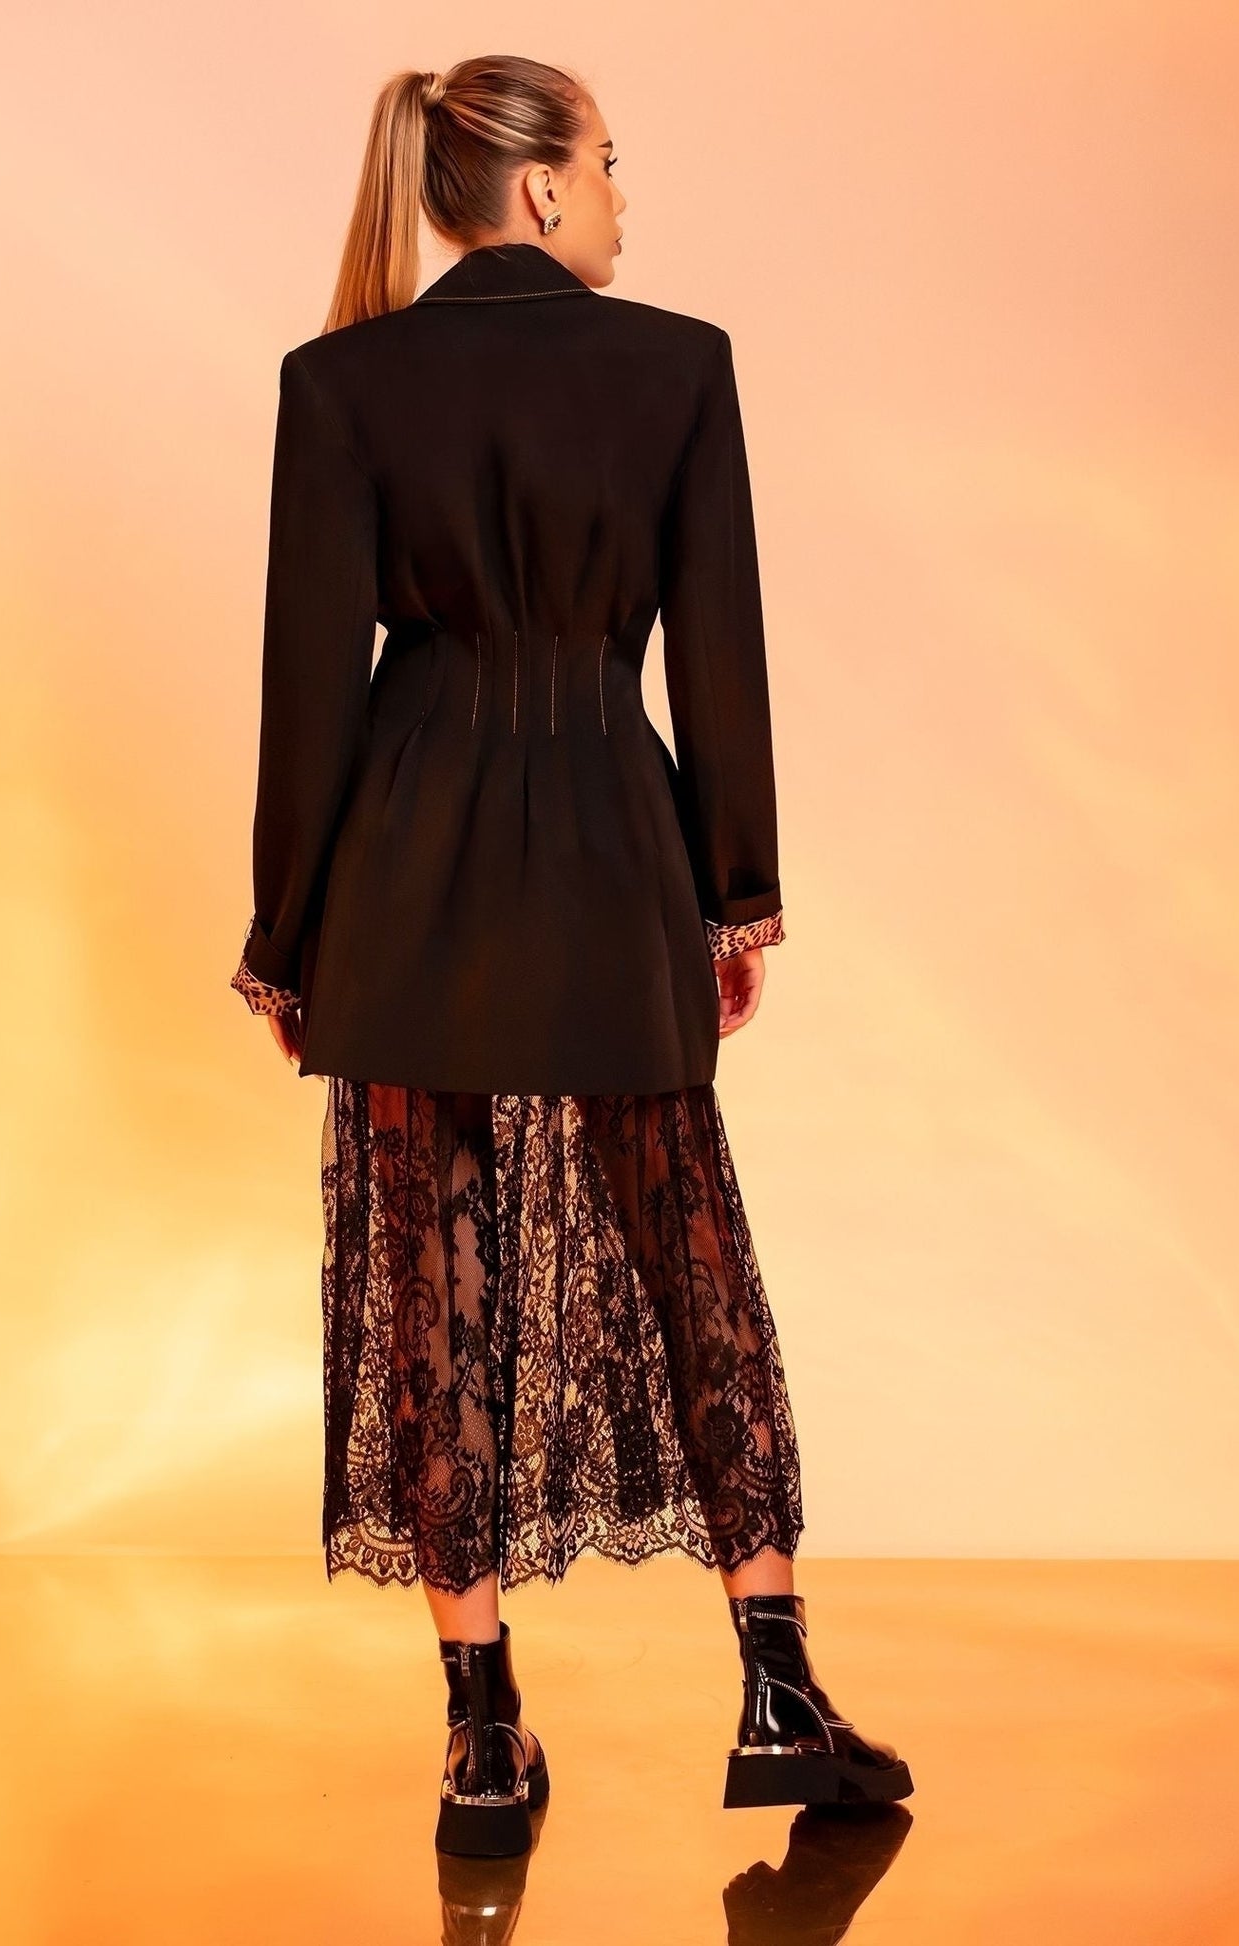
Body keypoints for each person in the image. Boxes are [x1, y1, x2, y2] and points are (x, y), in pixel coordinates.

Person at [229, 53, 912, 1857]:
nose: (621, 195)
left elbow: (310, 694)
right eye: (609, 163)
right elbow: (720, 653)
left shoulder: (338, 381)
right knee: (693, 1255)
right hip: (613, 839)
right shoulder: (677, 366)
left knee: (433, 1282)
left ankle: (478, 1734)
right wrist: (732, 892)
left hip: (406, 873)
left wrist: (286, 935)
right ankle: (777, 1690)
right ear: (538, 188)